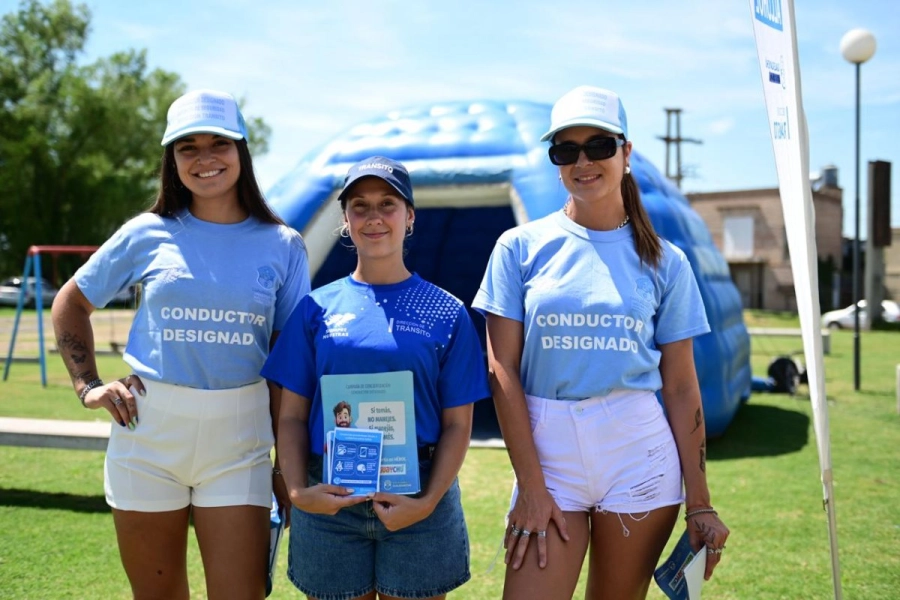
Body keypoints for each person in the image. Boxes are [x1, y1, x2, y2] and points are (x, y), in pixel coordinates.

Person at [472, 85, 730, 600]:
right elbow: (502, 370)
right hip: (548, 456)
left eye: (599, 146)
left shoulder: (667, 261)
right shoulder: (519, 247)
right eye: (566, 150)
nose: (583, 161)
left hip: (639, 455)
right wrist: (530, 483)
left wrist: (699, 501)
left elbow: (680, 387)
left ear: (626, 154)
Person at [51, 89, 310, 600]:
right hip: (147, 433)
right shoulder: (147, 231)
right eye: (188, 147)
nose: (205, 158)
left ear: (242, 151)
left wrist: (287, 465)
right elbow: (70, 303)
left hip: (241, 439)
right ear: (172, 158)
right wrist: (87, 386)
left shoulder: (283, 244)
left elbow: (289, 361)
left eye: (220, 143)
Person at [261, 156, 490, 600]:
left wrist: (426, 503)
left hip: (419, 493)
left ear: (409, 218)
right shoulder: (315, 309)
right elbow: (290, 417)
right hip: (330, 495)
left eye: (388, 203)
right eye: (360, 206)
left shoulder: (446, 311)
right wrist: (296, 489)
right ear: (345, 219)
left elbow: (458, 425)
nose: (374, 216)